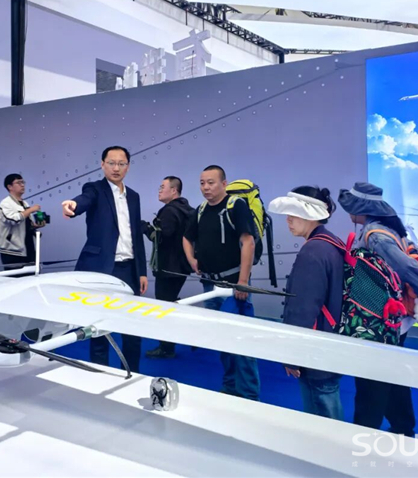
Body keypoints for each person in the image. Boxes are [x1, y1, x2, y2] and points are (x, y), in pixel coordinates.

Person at [338, 182, 418, 437]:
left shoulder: (376, 236)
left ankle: (365, 435)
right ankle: (403, 427)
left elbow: (406, 267)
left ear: (362, 208)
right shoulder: (389, 230)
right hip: (392, 320)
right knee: (392, 375)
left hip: (378, 321)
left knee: (371, 381)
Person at [62, 146, 148, 372]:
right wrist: (73, 205)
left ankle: (132, 372)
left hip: (129, 270)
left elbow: (136, 236)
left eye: (121, 163)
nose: (116, 168)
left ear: (128, 167)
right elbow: (84, 200)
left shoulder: (134, 197)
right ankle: (100, 374)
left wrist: (142, 271)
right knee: (99, 328)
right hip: (101, 269)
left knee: (132, 328)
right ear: (102, 165)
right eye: (111, 163)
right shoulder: (95, 189)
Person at [183, 165, 259, 400]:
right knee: (223, 340)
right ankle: (230, 386)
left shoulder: (236, 206)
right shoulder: (200, 210)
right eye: (202, 183)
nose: (205, 187)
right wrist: (192, 261)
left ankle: (248, 394)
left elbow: (248, 242)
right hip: (210, 286)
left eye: (211, 182)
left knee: (242, 341)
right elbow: (187, 237)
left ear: (224, 184)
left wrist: (242, 281)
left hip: (233, 286)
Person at [268, 186, 344, 420]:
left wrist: (293, 354)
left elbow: (303, 308)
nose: (288, 220)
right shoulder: (331, 243)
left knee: (320, 415)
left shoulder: (313, 251)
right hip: (330, 342)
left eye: (293, 214)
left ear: (309, 214)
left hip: (315, 351)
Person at [142, 176, 194, 359]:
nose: (159, 190)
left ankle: (166, 348)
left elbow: (163, 237)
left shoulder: (169, 211)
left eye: (162, 187)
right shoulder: (187, 210)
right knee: (172, 304)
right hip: (181, 267)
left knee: (164, 307)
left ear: (173, 190)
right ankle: (186, 337)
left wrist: (145, 228)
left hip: (168, 268)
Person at [0, 174, 43, 267]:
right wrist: (30, 210)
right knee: (15, 275)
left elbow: (25, 223)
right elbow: (14, 220)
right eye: (18, 183)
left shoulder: (25, 203)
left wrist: (35, 226)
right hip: (12, 250)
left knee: (30, 274)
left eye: (23, 182)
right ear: (9, 187)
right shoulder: (5, 203)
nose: (22, 185)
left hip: (27, 247)